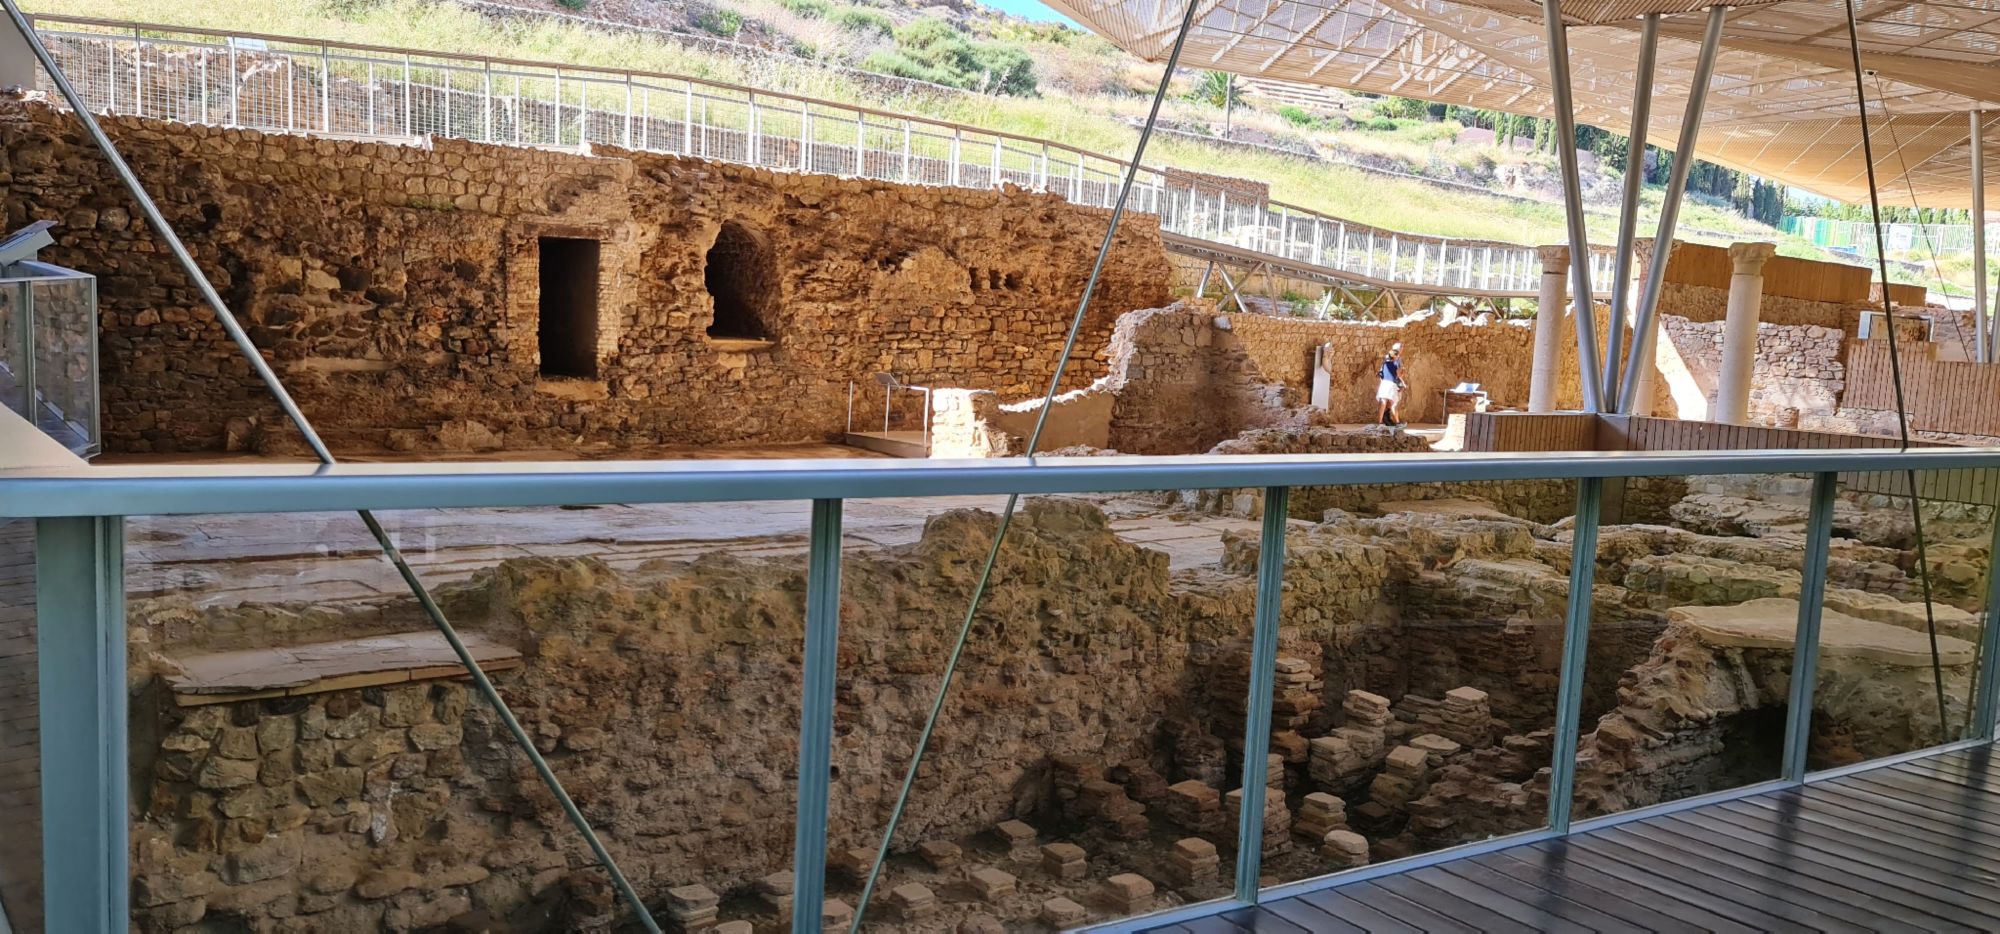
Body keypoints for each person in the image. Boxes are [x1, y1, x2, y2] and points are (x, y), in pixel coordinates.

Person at [1375, 342, 1407, 427]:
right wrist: (1403, 374)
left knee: (1383, 402)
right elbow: (1398, 375)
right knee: (1394, 404)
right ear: (1395, 355)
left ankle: (1380, 422)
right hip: (1391, 385)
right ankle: (1397, 422)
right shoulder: (1396, 363)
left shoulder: (1385, 363)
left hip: (1384, 384)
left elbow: (1381, 373)